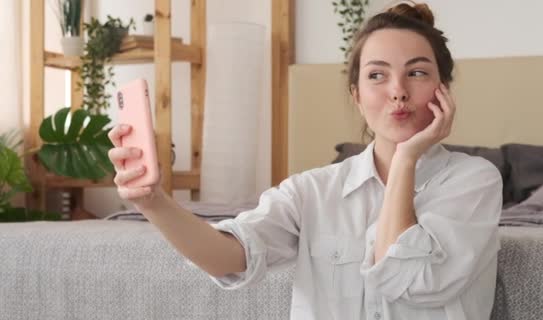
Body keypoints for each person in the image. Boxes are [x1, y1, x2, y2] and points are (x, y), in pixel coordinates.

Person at [108, 1, 502, 319]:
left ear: (443, 90)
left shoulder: (475, 182)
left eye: (416, 72)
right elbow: (228, 259)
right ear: (356, 94)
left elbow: (408, 277)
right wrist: (152, 201)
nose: (397, 91)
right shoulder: (312, 190)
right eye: (377, 76)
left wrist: (406, 158)